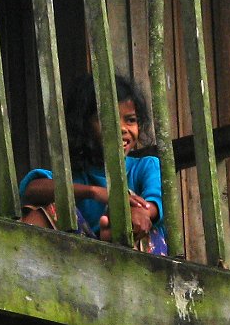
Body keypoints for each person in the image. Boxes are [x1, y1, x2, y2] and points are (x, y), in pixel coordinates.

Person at [19, 73, 165, 253]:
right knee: (48, 210)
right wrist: (95, 192)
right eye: (107, 120)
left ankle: (117, 236)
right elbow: (31, 190)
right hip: (85, 253)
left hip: (137, 253)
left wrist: (141, 212)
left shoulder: (145, 166)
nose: (122, 128)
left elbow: (156, 201)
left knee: (137, 214)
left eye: (131, 120)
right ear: (84, 125)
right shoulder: (75, 174)